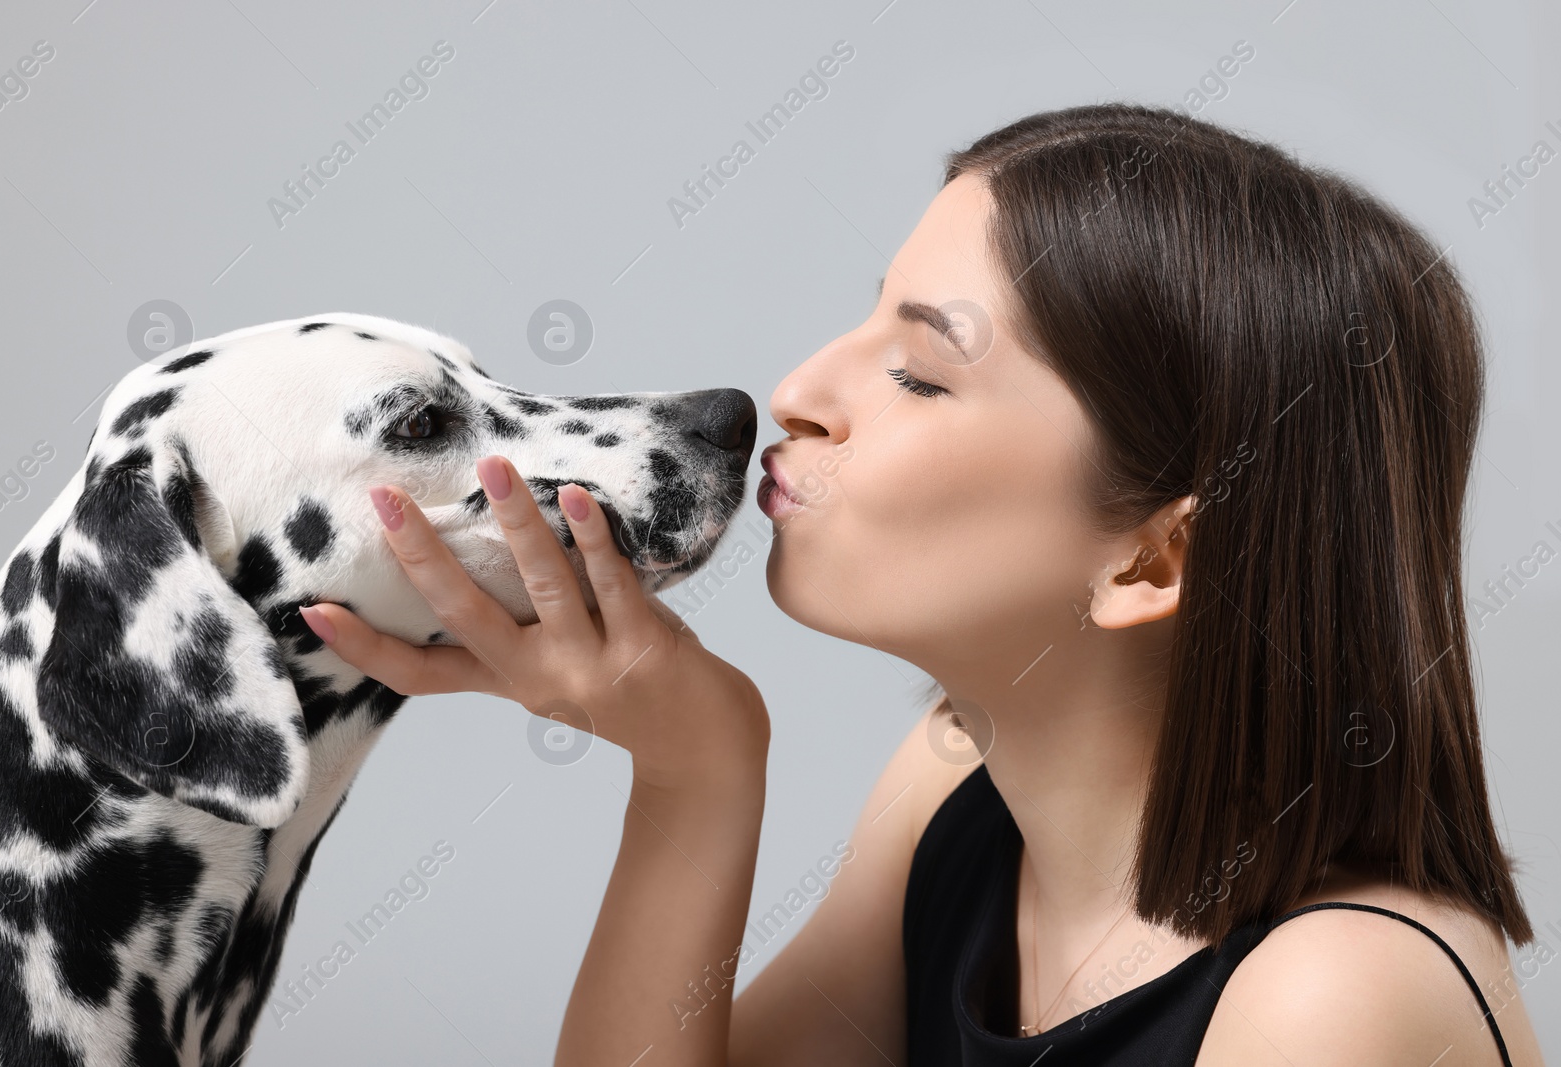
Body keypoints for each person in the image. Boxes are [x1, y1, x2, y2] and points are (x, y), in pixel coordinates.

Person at [297, 103, 1544, 1065]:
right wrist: (693, 768)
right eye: (867, 319)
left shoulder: (1331, 1001)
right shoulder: (957, 795)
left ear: (1149, 557)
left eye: (920, 373)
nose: (795, 390)